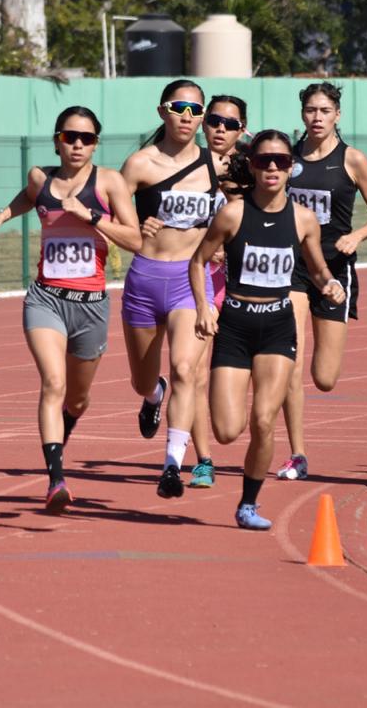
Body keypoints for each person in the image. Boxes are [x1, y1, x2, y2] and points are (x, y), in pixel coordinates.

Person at [0, 107, 141, 513]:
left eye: (86, 138)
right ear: (57, 139)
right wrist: (3, 214)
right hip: (46, 299)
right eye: (70, 136)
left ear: (96, 144)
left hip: (91, 307)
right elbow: (30, 195)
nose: (77, 144)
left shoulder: (110, 181)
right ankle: (56, 479)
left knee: (79, 398)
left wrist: (90, 215)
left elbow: (136, 239)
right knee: (53, 383)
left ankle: (62, 433)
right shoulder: (41, 177)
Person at [189, 130, 345, 530]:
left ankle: (248, 504)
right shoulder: (233, 214)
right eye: (263, 161)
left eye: (279, 161)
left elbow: (316, 267)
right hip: (236, 326)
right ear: (253, 167)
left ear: (291, 167)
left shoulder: (303, 219)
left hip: (277, 326)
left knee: (263, 420)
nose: (272, 168)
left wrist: (330, 282)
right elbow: (198, 261)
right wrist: (205, 307)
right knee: (227, 430)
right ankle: (241, 481)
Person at [278, 82, 367, 481]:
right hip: (291, 268)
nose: (317, 117)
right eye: (310, 110)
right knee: (288, 361)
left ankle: (317, 365)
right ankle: (297, 453)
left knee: (324, 378)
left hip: (334, 270)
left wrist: (356, 236)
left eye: (325, 110)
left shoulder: (352, 160)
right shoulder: (287, 159)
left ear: (337, 115)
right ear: (302, 114)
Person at [120, 80, 219, 499]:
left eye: (196, 110)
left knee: (185, 369)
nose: (187, 116)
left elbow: (247, 206)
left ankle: (172, 466)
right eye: (179, 107)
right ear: (162, 111)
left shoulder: (220, 164)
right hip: (145, 278)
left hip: (190, 282)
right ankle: (152, 395)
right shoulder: (139, 164)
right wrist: (134, 228)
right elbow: (112, 218)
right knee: (144, 381)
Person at [188, 94, 249, 489]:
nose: (220, 129)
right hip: (197, 279)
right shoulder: (183, 163)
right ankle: (203, 460)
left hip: (244, 284)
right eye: (214, 120)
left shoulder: (254, 165)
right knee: (191, 373)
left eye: (229, 123)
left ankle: (259, 446)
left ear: (241, 129)